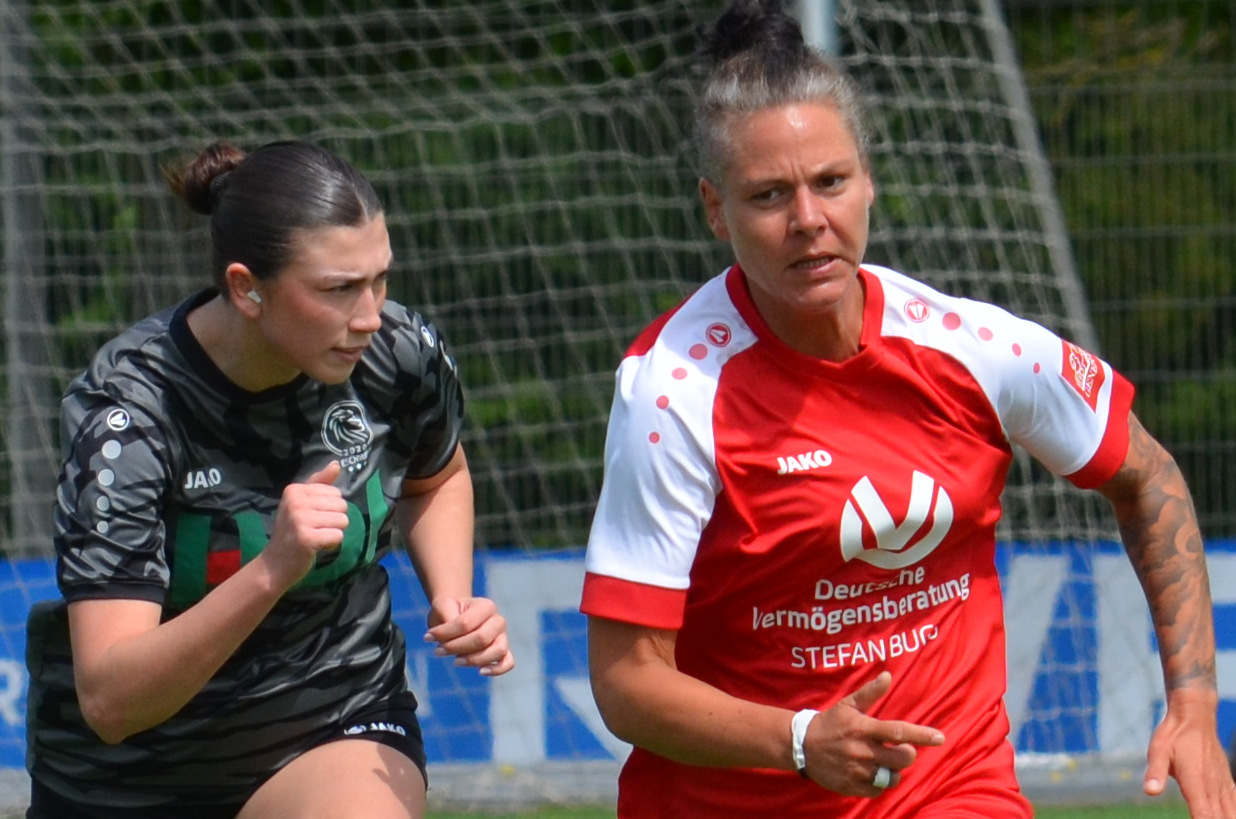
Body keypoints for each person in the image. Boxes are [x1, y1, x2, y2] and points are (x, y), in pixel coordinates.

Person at [579, 1, 1236, 817]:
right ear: (716, 209)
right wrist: (799, 739)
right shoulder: (673, 393)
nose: (809, 220)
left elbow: (1148, 474)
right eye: (769, 195)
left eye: (830, 182)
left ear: (868, 180)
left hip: (953, 788)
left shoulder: (972, 346)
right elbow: (626, 680)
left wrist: (1194, 700)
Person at [24, 139, 515, 819]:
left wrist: (452, 598)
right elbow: (111, 702)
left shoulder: (397, 354)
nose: (370, 315)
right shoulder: (129, 419)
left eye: (380, 279)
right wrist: (271, 570)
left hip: (334, 711)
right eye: (338, 289)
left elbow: (438, 474)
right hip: (132, 776)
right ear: (246, 288)